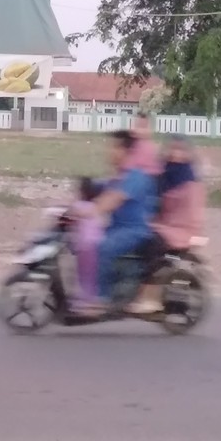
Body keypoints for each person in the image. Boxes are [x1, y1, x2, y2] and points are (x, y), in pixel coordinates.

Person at [78, 130, 159, 316]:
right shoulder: (117, 177)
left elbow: (111, 200)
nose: (109, 151)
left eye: (113, 147)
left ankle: (101, 299)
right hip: (116, 227)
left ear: (124, 151)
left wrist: (89, 211)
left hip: (134, 230)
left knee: (101, 247)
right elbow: (99, 192)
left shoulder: (135, 177)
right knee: (81, 244)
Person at [127, 136, 208, 314]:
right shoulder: (163, 172)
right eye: (172, 149)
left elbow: (192, 211)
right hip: (164, 223)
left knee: (151, 244)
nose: (175, 154)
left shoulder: (190, 180)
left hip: (180, 228)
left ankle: (151, 298)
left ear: (188, 154)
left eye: (180, 150)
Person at [68, 177, 107, 310]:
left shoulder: (79, 206)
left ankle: (85, 300)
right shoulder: (97, 207)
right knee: (91, 273)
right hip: (97, 244)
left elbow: (69, 217)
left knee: (83, 274)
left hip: (85, 246)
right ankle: (89, 297)